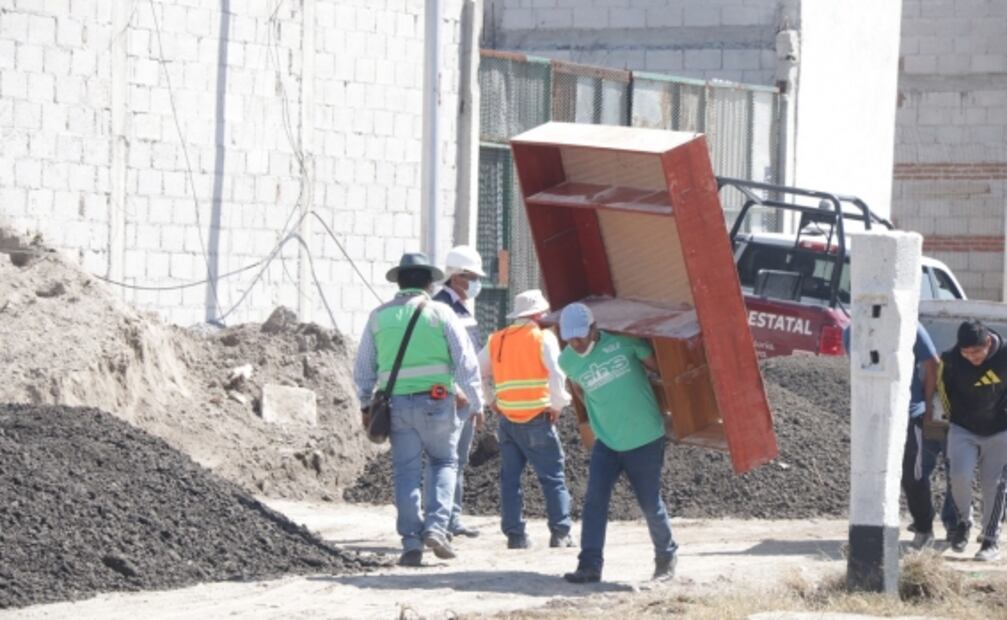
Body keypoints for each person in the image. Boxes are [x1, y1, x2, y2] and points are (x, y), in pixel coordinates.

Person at [353, 252, 485, 567]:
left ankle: (411, 542)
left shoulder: (378, 316)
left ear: (399, 282)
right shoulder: (441, 313)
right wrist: (478, 404)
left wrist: (365, 405)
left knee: (406, 473)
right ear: (429, 282)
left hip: (396, 406)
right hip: (438, 403)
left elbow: (363, 370)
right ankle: (437, 528)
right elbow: (465, 362)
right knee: (443, 462)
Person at [557, 302, 678, 584]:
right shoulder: (567, 361)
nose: (575, 342)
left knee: (649, 503)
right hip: (608, 442)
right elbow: (580, 391)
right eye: (569, 337)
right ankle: (589, 566)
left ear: (593, 328)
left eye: (580, 336)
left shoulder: (625, 343)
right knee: (594, 502)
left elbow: (661, 371)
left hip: (645, 437)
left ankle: (666, 557)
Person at [843, 323, 955, 549]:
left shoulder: (909, 325)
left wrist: (926, 406)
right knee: (873, 473)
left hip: (908, 414)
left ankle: (924, 528)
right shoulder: (852, 331)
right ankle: (874, 530)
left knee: (912, 475)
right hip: (873, 414)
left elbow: (932, 364)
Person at [478, 289, 574, 550]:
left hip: (508, 420)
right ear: (537, 314)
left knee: (510, 479)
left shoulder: (497, 339)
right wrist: (558, 405)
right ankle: (560, 533)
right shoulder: (543, 338)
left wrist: (492, 401)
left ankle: (515, 535)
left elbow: (478, 371)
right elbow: (557, 374)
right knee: (552, 476)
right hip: (537, 419)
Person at [938, 318, 1007, 561]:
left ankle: (990, 540)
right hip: (963, 427)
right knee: (959, 475)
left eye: (976, 352)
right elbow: (942, 388)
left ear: (988, 341)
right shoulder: (951, 359)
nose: (971, 357)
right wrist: (953, 417)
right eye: (966, 353)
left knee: (995, 485)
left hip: (1000, 429)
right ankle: (963, 524)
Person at [432, 244, 486, 539]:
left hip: (467, 398)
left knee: (458, 460)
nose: (477, 282)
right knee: (445, 459)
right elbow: (440, 356)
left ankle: (452, 518)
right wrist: (456, 389)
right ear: (456, 277)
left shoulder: (462, 309)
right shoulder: (441, 309)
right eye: (472, 276)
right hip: (451, 398)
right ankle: (439, 521)